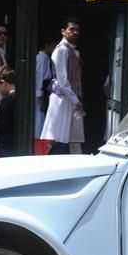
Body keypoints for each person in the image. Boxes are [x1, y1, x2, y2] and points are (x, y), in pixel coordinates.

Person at [41, 18, 85, 155]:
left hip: (69, 99)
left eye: (77, 30)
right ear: (63, 31)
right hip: (62, 99)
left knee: (70, 139)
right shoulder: (61, 50)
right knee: (61, 138)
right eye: (72, 29)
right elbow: (62, 80)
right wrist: (76, 100)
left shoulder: (70, 50)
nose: (75, 32)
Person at [35, 39, 55, 141]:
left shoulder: (47, 58)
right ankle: (38, 140)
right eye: (52, 46)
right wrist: (40, 96)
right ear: (47, 45)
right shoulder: (41, 58)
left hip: (46, 89)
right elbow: (39, 77)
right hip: (41, 91)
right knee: (39, 116)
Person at [0, 68, 17, 157]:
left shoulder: (6, 101)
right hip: (18, 142)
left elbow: (2, 125)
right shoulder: (23, 97)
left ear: (4, 83)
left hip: (6, 144)